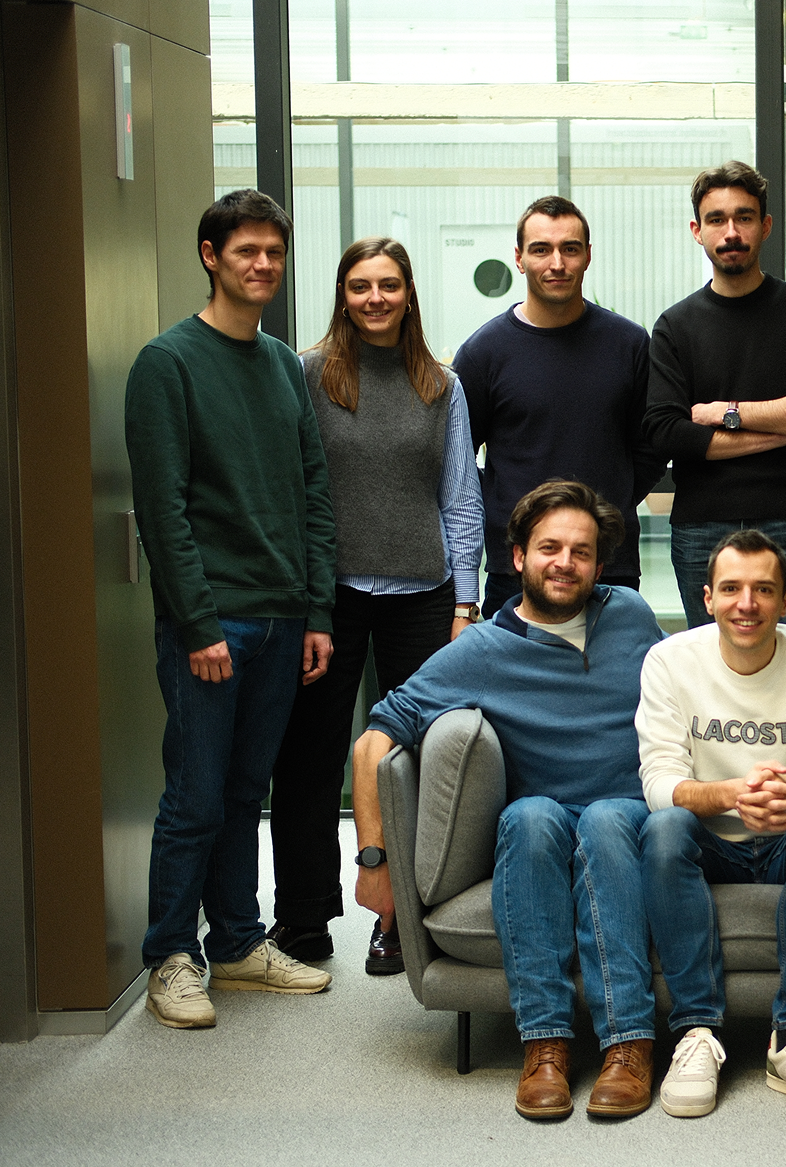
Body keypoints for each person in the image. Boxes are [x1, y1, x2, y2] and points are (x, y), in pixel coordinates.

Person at [350, 481, 665, 1119]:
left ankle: (627, 1045)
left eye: (581, 551)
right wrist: (374, 861)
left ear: (600, 565)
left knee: (606, 818)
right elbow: (374, 742)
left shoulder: (630, 613)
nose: (565, 562)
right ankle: (545, 1045)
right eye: (549, 547)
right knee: (527, 816)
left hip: (626, 819)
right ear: (517, 556)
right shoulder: (481, 651)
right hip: (540, 827)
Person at [126, 189, 336, 1029]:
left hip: (285, 615)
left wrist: (317, 608)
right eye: (246, 251)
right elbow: (162, 509)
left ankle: (241, 943)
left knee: (249, 790)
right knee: (196, 794)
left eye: (274, 254)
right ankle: (171, 955)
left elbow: (312, 489)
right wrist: (198, 623)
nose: (262, 265)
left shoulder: (285, 363)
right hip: (213, 622)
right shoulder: (166, 362)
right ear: (210, 255)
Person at [268, 237, 484, 980]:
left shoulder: (440, 383)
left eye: (389, 284)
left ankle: (398, 920)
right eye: (361, 285)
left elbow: (459, 498)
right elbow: (294, 491)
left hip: (422, 593)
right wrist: (303, 600)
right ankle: (302, 917)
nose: (375, 298)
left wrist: (465, 601)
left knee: (416, 757)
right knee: (310, 755)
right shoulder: (309, 374)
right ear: (343, 292)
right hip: (329, 597)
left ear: (408, 291)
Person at [637, 530, 786, 1118]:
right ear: (707, 598)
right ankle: (696, 1033)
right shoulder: (669, 660)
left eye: (764, 590)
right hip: (711, 842)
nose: (747, 604)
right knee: (663, 828)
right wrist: (733, 795)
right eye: (731, 589)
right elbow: (659, 783)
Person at [644, 162, 786, 634]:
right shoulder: (675, 326)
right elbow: (665, 433)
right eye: (716, 219)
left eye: (744, 217)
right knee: (709, 672)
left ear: (765, 226)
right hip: (701, 530)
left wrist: (726, 414)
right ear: (697, 231)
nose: (731, 231)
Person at [455, 195, 665, 614]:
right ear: (519, 258)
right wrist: (506, 507)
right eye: (541, 250)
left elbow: (650, 448)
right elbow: (457, 463)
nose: (557, 263)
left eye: (570, 249)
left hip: (610, 564)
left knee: (610, 680)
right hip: (518, 568)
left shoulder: (629, 344)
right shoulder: (483, 353)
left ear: (587, 256)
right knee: (519, 681)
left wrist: (608, 505)